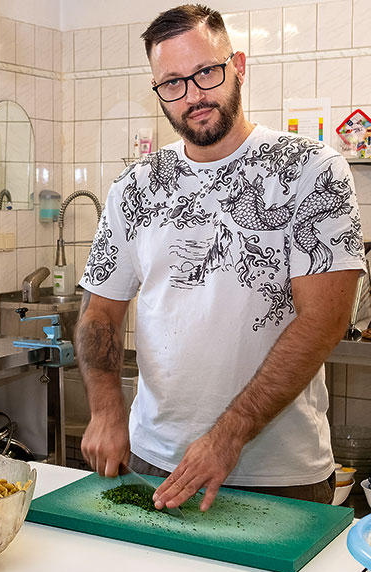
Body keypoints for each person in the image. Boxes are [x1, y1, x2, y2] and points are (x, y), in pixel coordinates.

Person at [77, 4, 365, 514]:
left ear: (239, 66)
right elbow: (100, 314)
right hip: (153, 464)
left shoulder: (311, 170)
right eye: (172, 84)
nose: (193, 96)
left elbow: (324, 319)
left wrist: (227, 437)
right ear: (158, 91)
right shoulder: (135, 186)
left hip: (279, 474)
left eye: (206, 72)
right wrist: (105, 411)